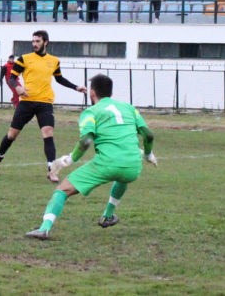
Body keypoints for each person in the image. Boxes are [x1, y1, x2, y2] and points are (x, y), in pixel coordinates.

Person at [26, 74, 157, 240]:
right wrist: (148, 154)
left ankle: (44, 228)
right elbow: (149, 135)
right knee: (123, 176)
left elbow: (86, 140)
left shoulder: (91, 112)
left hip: (107, 164)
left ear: (92, 93)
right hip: (133, 166)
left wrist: (68, 160)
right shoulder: (129, 108)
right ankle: (108, 216)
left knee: (62, 190)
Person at [0, 30, 87, 182]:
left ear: (45, 42)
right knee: (12, 135)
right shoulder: (24, 59)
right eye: (33, 41)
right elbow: (12, 78)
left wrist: (76, 87)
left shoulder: (54, 61)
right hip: (26, 102)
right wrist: (18, 88)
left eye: (38, 41)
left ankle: (52, 171)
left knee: (48, 133)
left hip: (45, 102)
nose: (34, 44)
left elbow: (59, 79)